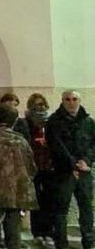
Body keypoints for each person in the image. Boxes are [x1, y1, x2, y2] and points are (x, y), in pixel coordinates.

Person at [0, 104, 37, 249]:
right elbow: (32, 167)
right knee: (14, 230)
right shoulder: (21, 141)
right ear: (14, 121)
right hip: (17, 193)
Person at [46, 90, 95, 249]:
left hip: (84, 170)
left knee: (86, 207)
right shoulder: (54, 121)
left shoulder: (88, 122)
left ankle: (88, 241)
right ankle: (61, 243)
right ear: (62, 101)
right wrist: (72, 164)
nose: (71, 102)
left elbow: (93, 145)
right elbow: (56, 146)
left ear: (79, 101)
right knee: (61, 210)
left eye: (74, 99)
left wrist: (86, 161)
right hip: (63, 172)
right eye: (68, 99)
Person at [24, 93, 55, 245]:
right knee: (35, 200)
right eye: (36, 104)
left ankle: (48, 232)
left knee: (49, 200)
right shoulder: (26, 123)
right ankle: (37, 232)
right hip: (33, 166)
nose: (40, 107)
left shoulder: (52, 122)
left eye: (42, 103)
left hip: (49, 166)